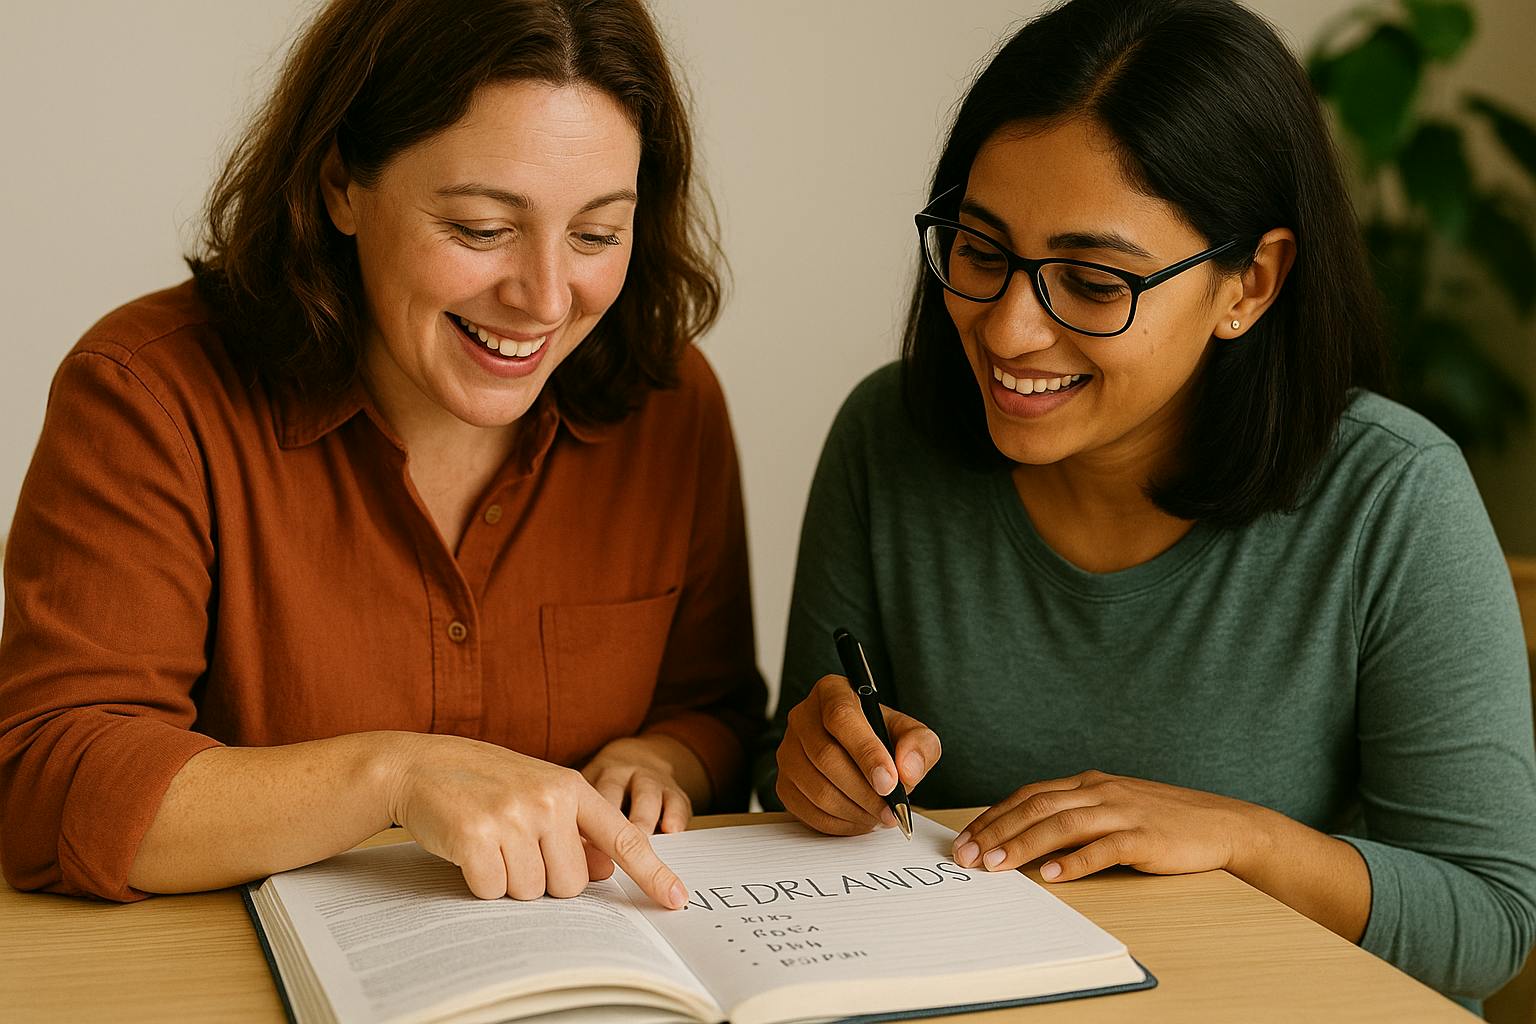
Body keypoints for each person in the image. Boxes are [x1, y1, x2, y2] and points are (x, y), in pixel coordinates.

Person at [759, 0, 1536, 1005]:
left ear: (1250, 283)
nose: (1007, 330)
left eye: (1090, 280)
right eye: (981, 250)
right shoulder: (886, 440)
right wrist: (815, 764)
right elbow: (797, 783)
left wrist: (1239, 839)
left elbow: (1488, 922)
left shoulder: (1395, 496)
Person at [0, 0, 765, 910]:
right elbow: (53, 781)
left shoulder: (670, 402)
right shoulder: (148, 396)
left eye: (597, 234)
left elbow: (715, 709)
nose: (547, 298)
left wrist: (664, 755)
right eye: (482, 227)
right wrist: (394, 775)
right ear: (341, 185)